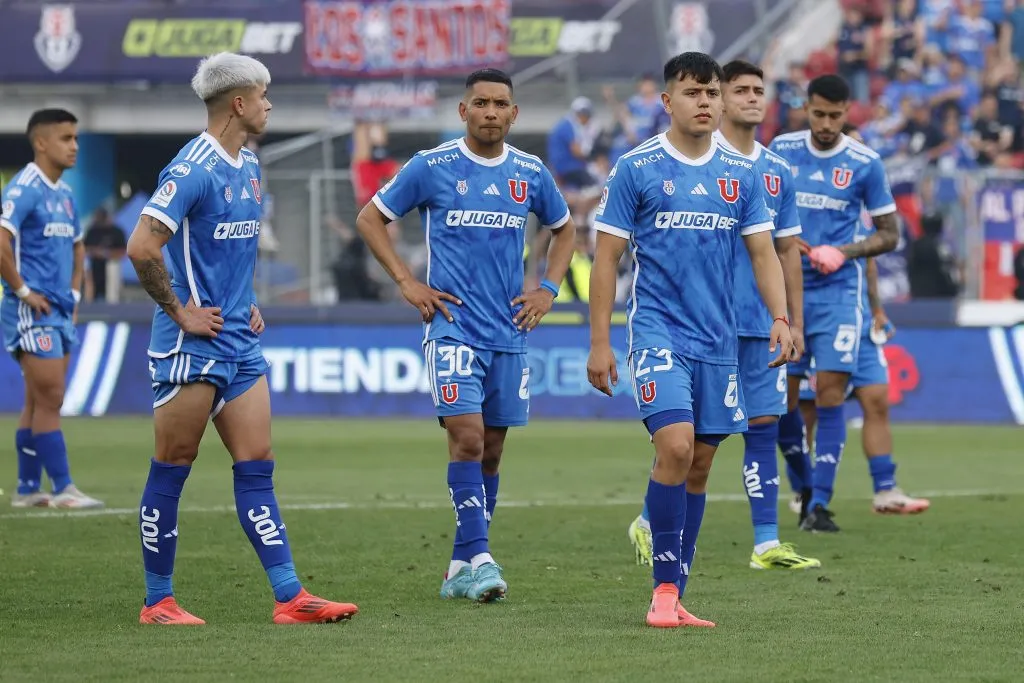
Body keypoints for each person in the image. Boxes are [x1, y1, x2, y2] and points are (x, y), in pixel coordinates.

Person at [126, 52, 358, 625]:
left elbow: (229, 247)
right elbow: (141, 246)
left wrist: (245, 299)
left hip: (239, 344)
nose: (269, 104)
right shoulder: (191, 169)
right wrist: (181, 312)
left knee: (257, 463)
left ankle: (290, 597)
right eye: (263, 95)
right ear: (238, 103)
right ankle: (158, 601)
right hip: (191, 346)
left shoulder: (250, 166)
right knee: (173, 465)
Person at [587, 52, 794, 628]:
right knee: (675, 447)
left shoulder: (743, 174)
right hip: (657, 330)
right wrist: (599, 342)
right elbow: (606, 259)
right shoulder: (637, 167)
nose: (704, 102)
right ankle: (660, 593)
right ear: (667, 101)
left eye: (711, 93)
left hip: (719, 340)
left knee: (699, 466)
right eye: (692, 93)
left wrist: (780, 318)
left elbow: (764, 253)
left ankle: (675, 591)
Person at [355, 68, 576, 603]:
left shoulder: (530, 171)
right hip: (452, 330)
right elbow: (370, 218)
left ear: (514, 113)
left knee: (493, 451)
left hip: (508, 333)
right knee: (469, 440)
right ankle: (481, 557)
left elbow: (565, 228)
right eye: (481, 103)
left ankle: (459, 565)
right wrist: (407, 282)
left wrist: (547, 288)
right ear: (464, 111)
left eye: (501, 104)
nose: (491, 112)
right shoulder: (431, 167)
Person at [627, 59, 819, 571]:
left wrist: (791, 319)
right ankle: (654, 521)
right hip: (704, 325)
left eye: (761, 90)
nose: (752, 98)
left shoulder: (773, 172)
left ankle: (765, 542)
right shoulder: (674, 163)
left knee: (762, 427)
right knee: (685, 444)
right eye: (740, 90)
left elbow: (783, 253)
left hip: (760, 324)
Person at [769, 76, 901, 532]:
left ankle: (819, 504)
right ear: (806, 108)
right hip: (784, 287)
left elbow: (890, 234)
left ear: (849, 113)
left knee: (830, 395)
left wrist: (843, 252)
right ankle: (802, 486)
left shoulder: (865, 163)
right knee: (783, 400)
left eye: (836, 116)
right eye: (818, 114)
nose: (826, 124)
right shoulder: (780, 152)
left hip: (838, 292)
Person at [781, 123, 931, 518]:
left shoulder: (861, 212)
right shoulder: (810, 198)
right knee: (806, 406)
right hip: (815, 306)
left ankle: (885, 489)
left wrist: (877, 308)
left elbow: (868, 260)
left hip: (857, 312)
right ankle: (803, 488)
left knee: (876, 398)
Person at [0, 108, 104, 510]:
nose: (75, 146)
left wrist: (75, 297)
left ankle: (27, 489)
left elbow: (79, 248)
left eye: (76, 138)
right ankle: (64, 488)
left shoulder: (64, 193)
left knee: (37, 401)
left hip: (59, 309)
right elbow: (2, 243)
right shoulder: (24, 188)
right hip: (31, 311)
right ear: (41, 142)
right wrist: (23, 291)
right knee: (52, 396)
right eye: (66, 138)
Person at [83, 207, 127, 302]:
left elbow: (123, 251)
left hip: (111, 264)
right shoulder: (92, 231)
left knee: (112, 294)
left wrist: (106, 253)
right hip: (95, 265)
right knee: (88, 275)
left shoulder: (116, 231)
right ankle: (89, 305)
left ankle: (112, 307)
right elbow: (84, 248)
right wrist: (96, 252)